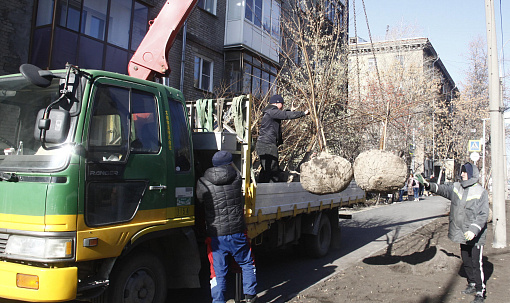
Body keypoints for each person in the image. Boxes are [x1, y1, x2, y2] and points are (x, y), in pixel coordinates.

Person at [196, 151, 258, 303]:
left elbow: (199, 200)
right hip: (237, 232)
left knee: (217, 272)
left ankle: (218, 301)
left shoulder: (203, 182)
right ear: (230, 163)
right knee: (246, 263)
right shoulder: (236, 178)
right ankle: (250, 296)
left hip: (216, 235)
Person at [423, 163, 489, 303]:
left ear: (471, 174)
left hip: (474, 235)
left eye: (464, 172)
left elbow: (483, 215)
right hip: (462, 233)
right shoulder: (457, 187)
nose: (462, 174)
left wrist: (473, 230)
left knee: (476, 263)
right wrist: (428, 185)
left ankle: (480, 291)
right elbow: (443, 190)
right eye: (462, 172)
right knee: (466, 260)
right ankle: (471, 283)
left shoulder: (480, 191)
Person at [256, 94, 309, 183]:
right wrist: (303, 113)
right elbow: (285, 115)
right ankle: (272, 189)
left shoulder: (270, 111)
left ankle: (261, 188)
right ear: (277, 103)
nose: (283, 106)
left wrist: (290, 110)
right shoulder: (272, 111)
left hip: (265, 144)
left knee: (266, 169)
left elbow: (283, 114)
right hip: (267, 145)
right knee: (272, 169)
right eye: (282, 103)